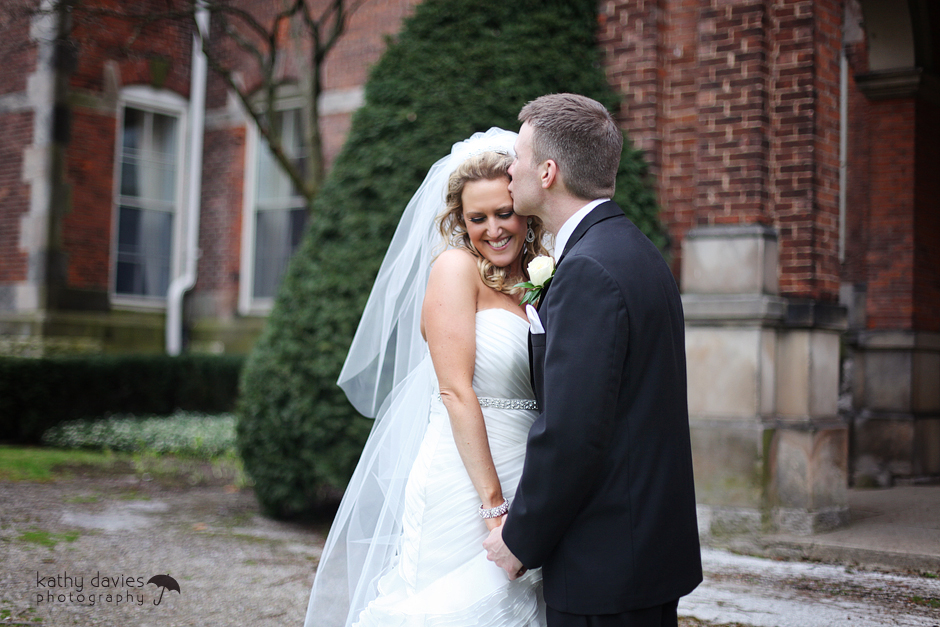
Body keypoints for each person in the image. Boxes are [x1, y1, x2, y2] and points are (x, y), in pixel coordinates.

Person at [304, 128, 551, 627]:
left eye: (504, 213)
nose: (493, 230)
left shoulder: (536, 279)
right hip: (465, 480)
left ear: (526, 211)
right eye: (477, 218)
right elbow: (456, 392)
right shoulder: (455, 269)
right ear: (460, 221)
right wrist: (494, 506)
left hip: (528, 469)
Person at [483, 94, 703, 627]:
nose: (510, 170)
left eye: (519, 157)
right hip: (643, 550)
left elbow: (573, 432)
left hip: (604, 564)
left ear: (548, 172)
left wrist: (520, 539)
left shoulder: (588, 270)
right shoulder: (635, 250)